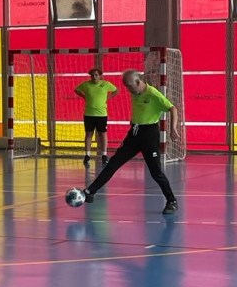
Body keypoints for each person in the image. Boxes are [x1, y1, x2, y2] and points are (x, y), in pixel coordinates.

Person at [81, 69, 180, 215]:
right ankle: (90, 191)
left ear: (138, 82)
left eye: (129, 86)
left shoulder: (153, 94)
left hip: (149, 135)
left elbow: (173, 108)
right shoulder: (135, 92)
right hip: (134, 134)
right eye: (126, 87)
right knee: (113, 163)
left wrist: (173, 128)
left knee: (156, 172)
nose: (128, 90)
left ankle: (172, 201)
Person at [74, 68, 118, 166]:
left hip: (101, 115)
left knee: (102, 134)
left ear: (100, 76)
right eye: (92, 75)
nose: (94, 77)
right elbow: (76, 90)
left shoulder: (106, 84)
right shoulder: (86, 85)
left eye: (96, 75)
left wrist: (108, 98)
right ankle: (87, 155)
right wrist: (84, 96)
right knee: (89, 134)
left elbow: (116, 90)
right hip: (89, 114)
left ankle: (104, 155)